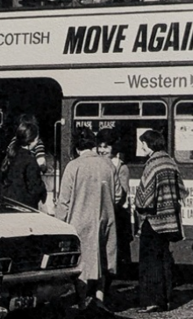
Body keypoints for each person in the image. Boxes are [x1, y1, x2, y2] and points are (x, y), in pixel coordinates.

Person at [56, 127, 117, 304]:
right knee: (102, 262)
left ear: (76, 147)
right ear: (94, 145)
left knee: (82, 265)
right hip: (105, 220)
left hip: (79, 222)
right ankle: (100, 300)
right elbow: (119, 195)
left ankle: (83, 302)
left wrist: (60, 225)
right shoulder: (108, 165)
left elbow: (64, 201)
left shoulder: (73, 166)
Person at [134, 130, 188, 313]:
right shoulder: (170, 162)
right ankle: (165, 300)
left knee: (149, 262)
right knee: (164, 259)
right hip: (170, 220)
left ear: (149, 145)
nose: (141, 147)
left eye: (143, 143)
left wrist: (138, 207)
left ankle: (151, 301)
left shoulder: (153, 164)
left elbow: (143, 199)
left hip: (154, 220)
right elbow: (182, 191)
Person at [97, 128, 133, 267]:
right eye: (99, 146)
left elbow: (121, 195)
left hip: (116, 214)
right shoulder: (96, 163)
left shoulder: (120, 167)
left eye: (106, 147)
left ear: (114, 148)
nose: (102, 150)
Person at [0, 122, 46, 208]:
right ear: (32, 140)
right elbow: (34, 188)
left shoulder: (10, 155)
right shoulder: (30, 160)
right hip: (23, 206)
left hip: (7, 203)